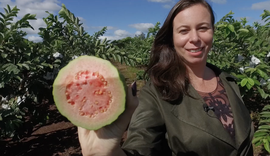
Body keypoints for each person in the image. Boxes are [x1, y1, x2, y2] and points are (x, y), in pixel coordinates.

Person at [77, 0, 254, 155]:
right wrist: (110, 153)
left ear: (213, 31)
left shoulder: (228, 81)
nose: (195, 38)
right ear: (172, 38)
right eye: (184, 31)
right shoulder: (156, 92)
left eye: (203, 28)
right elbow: (141, 146)